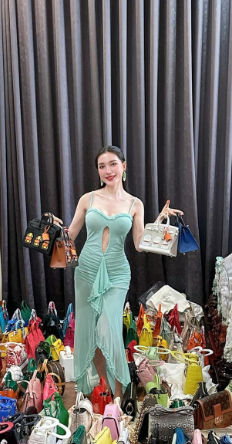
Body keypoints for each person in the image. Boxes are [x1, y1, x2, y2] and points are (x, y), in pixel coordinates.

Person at [52, 145, 183, 398]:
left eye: (113, 164)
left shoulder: (135, 203)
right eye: (102, 166)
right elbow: (70, 236)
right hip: (87, 271)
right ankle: (104, 390)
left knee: (107, 328)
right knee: (90, 332)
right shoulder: (88, 199)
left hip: (117, 273)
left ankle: (120, 393)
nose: (107, 170)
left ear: (123, 166)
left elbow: (139, 244)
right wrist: (55, 227)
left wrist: (159, 221)